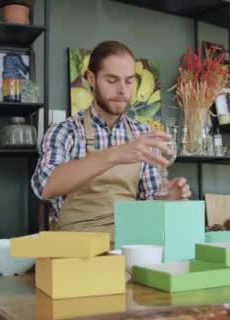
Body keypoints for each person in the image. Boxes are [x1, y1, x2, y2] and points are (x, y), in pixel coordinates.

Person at [32, 40, 191, 238]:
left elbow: (148, 205)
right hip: (75, 250)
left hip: (128, 244)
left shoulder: (143, 135)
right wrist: (116, 154)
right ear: (92, 78)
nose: (123, 90)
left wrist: (166, 201)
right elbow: (46, 187)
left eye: (129, 80)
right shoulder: (66, 131)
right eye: (112, 80)